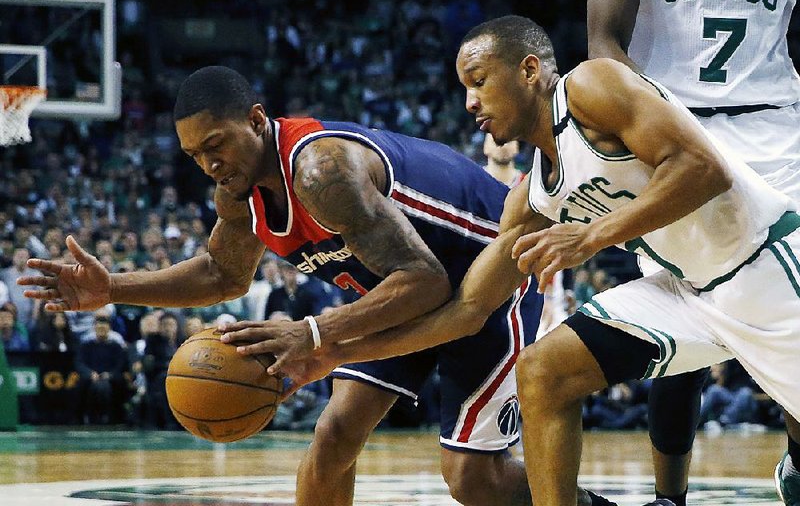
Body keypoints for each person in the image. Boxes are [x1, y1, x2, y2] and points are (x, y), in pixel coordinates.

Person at [258, 15, 799, 506]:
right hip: (687, 291)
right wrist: (335, 351)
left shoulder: (592, 87)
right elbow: (465, 312)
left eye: (479, 81)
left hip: (766, 265)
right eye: (463, 88)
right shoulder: (532, 196)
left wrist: (590, 236)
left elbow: (703, 168)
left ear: (530, 69)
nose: (469, 102)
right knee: (543, 370)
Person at [19, 65, 557, 506]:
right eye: (194, 156)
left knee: (473, 482)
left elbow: (426, 281)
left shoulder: (321, 171)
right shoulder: (237, 191)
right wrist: (112, 287)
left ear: (256, 121)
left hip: (492, 273)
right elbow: (221, 275)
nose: (209, 164)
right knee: (332, 437)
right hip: (400, 291)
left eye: (215, 145)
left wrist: (316, 333)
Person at [587, 0, 800, 503]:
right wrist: (650, 123)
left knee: (791, 310)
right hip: (673, 129)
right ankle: (669, 497)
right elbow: (602, 43)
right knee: (682, 315)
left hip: (776, 130)